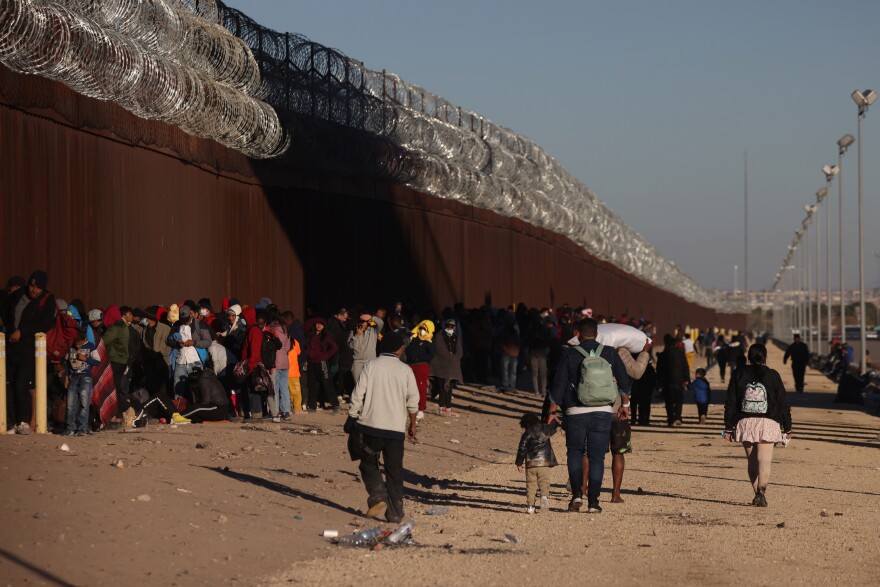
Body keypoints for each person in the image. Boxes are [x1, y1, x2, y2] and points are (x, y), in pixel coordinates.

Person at [548, 318, 631, 513]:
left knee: (575, 453)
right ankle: (594, 502)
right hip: (603, 411)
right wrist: (624, 404)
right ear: (597, 334)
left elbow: (558, 385)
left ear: (577, 334)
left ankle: (577, 494)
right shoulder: (610, 352)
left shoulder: (569, 354)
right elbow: (624, 381)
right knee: (597, 458)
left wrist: (552, 411)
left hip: (575, 412)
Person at [347, 331, 419, 523]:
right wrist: (413, 424)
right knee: (394, 470)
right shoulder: (406, 370)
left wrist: (353, 415)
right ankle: (395, 512)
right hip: (395, 430)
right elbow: (413, 400)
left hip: (370, 427)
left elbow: (357, 394)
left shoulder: (371, 365)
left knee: (368, 463)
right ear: (398, 349)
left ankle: (378, 495)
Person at [723, 343, 792, 507]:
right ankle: (761, 492)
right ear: (765, 357)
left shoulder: (738, 374)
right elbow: (783, 402)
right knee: (764, 460)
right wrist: (787, 427)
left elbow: (730, 402)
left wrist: (728, 427)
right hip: (768, 422)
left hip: (745, 421)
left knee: (752, 460)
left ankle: (756, 493)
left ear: (748, 357)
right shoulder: (773, 375)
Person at [3, 270, 56, 433]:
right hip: (10, 346)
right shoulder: (17, 294)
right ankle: (10, 422)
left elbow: (45, 323)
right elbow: (6, 312)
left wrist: (22, 332)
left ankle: (23, 421)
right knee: (7, 384)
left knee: (22, 386)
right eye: (32, 286)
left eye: (38, 288)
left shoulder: (47, 300)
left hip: (29, 348)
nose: (34, 290)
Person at [515, 412, 559, 514]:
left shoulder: (526, 434)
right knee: (544, 482)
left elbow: (522, 449)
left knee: (531, 485)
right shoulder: (544, 429)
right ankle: (543, 496)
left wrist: (519, 463)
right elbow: (553, 428)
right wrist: (555, 421)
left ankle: (530, 506)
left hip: (531, 464)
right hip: (544, 462)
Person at [63, 331, 99, 436]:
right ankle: (70, 428)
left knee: (84, 404)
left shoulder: (90, 346)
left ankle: (82, 429)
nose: (78, 347)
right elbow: (66, 363)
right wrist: (66, 377)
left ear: (84, 341)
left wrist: (86, 359)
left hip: (85, 378)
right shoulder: (71, 347)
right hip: (73, 378)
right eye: (76, 345)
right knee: (70, 404)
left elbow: (97, 361)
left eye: (80, 344)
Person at [304, 317, 339, 413]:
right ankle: (312, 406)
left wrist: (325, 355)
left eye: (321, 324)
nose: (319, 325)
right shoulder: (311, 334)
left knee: (327, 383)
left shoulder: (326, 336)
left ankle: (335, 404)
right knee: (312, 385)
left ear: (324, 326)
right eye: (317, 324)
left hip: (322, 363)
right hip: (311, 363)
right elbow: (307, 324)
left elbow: (334, 347)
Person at [430, 318, 463, 416]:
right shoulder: (439, 336)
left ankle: (448, 408)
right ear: (445, 326)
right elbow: (441, 350)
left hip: (452, 367)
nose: (450, 328)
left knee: (450, 388)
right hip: (441, 366)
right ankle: (441, 408)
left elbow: (459, 351)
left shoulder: (456, 337)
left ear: (454, 327)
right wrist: (452, 358)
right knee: (441, 387)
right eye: (448, 326)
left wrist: (455, 359)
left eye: (452, 326)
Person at [656, 334, 690, 426]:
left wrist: (659, 384)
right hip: (679, 381)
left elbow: (659, 371)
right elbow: (685, 366)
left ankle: (671, 419)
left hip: (667, 382)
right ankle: (678, 417)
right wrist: (687, 379)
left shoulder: (662, 355)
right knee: (679, 400)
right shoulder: (680, 353)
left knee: (669, 401)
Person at [406, 320, 435, 420]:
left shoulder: (429, 342)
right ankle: (410, 407)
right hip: (411, 365)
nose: (422, 330)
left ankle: (421, 409)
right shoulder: (414, 339)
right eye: (421, 328)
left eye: (424, 329)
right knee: (408, 387)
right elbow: (408, 351)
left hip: (421, 366)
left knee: (421, 388)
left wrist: (419, 357)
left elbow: (431, 355)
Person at [350, 313, 383, 385]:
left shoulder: (373, 330)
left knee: (371, 385)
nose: (362, 324)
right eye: (361, 322)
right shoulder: (354, 331)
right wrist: (357, 335)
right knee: (358, 385)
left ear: (367, 322)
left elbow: (381, 323)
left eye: (364, 322)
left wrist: (371, 317)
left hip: (370, 361)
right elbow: (351, 346)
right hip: (357, 362)